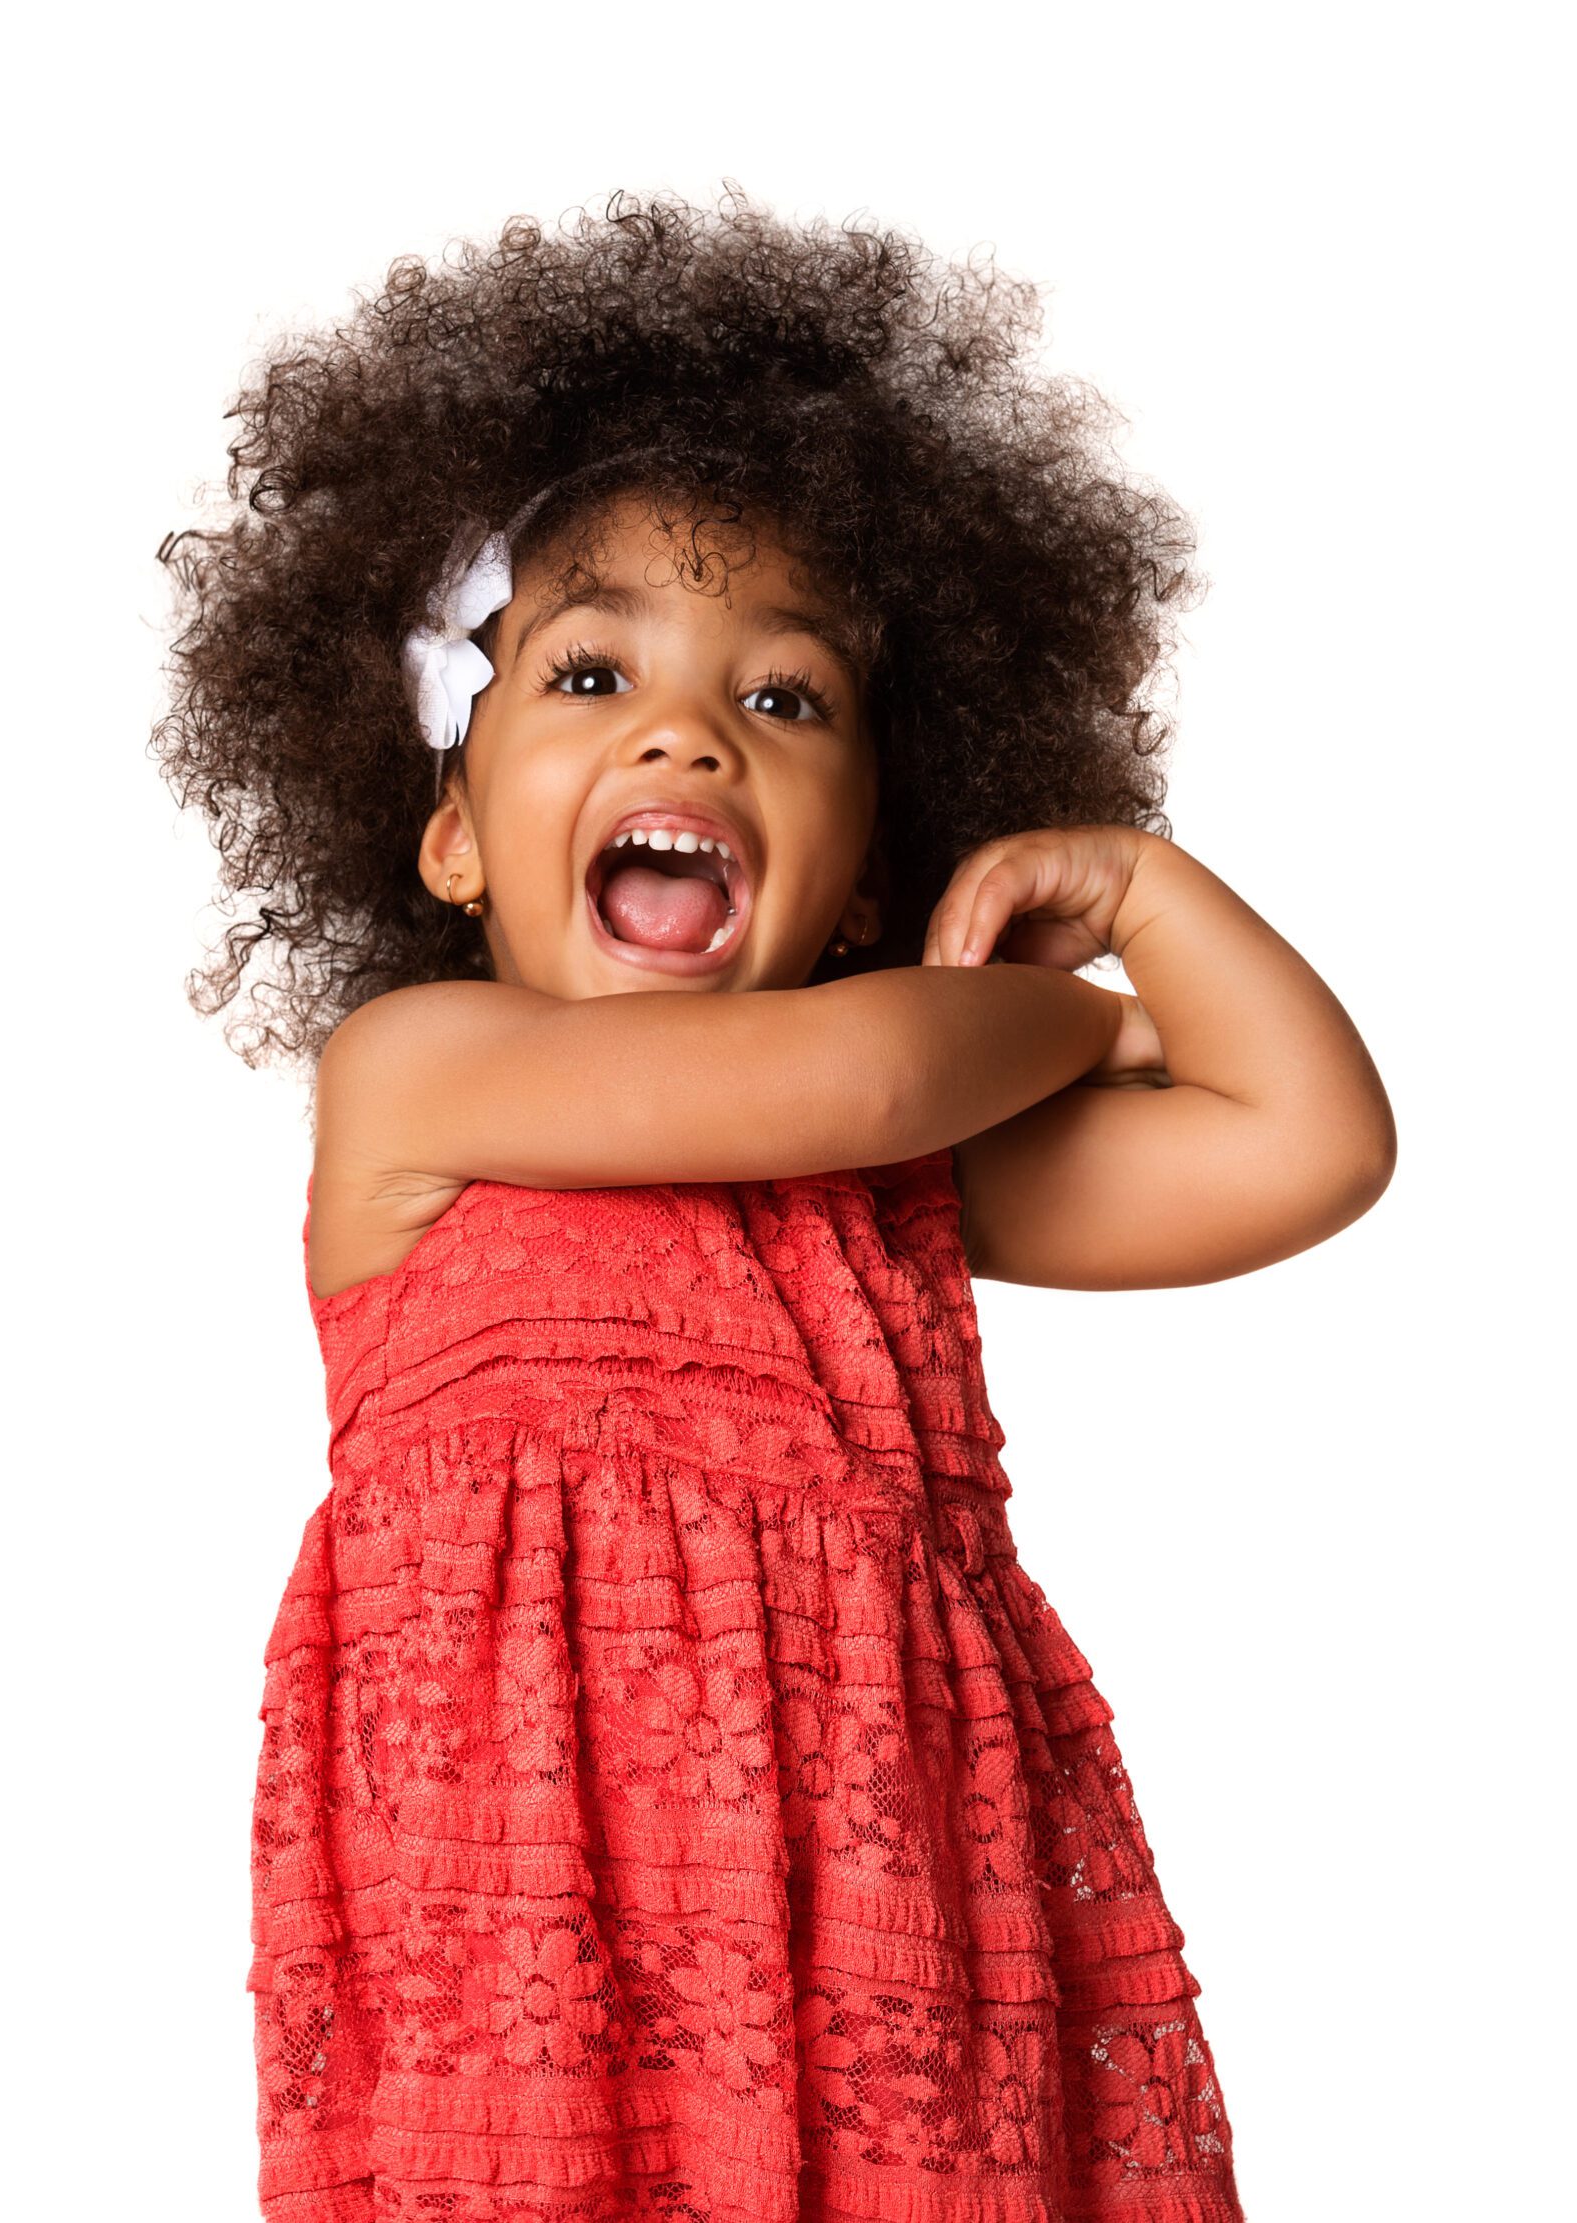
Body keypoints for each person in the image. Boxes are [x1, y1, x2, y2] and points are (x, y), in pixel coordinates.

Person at [150, 185, 1394, 2223]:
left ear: (871, 873)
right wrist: (1067, 1017)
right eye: (584, 674)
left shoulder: (894, 1172)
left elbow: (1309, 1139)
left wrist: (1146, 896)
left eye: (787, 700)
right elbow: (883, 1061)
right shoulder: (421, 1078)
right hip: (536, 1956)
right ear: (453, 836)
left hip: (901, 1931)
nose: (687, 725)